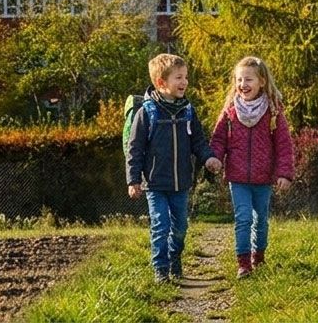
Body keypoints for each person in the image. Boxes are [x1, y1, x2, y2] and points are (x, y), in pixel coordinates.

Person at [126, 53, 220, 283]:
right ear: (161, 83)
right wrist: (133, 179)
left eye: (186, 77)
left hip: (181, 183)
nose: (184, 82)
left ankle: (174, 258)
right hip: (155, 183)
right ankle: (160, 269)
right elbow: (135, 148)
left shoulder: (188, 111)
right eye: (179, 77)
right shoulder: (146, 113)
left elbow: (198, 140)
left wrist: (209, 158)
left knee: (180, 227)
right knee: (161, 224)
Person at [208, 56, 295, 278]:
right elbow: (219, 139)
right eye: (239, 80)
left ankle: (259, 257)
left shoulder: (273, 112)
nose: (243, 85)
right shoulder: (230, 111)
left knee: (261, 221)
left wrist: (284, 173)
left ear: (262, 82)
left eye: (248, 79)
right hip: (237, 177)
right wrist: (215, 158)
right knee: (243, 218)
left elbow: (284, 145)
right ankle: (244, 263)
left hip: (263, 177)